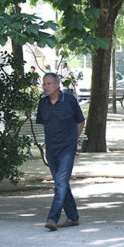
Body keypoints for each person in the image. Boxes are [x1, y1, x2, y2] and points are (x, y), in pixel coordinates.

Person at [36, 73, 85, 231]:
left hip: (67, 149)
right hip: (51, 149)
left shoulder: (69, 100)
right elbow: (44, 123)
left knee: (61, 182)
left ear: (57, 85)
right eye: (44, 84)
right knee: (61, 183)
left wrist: (73, 140)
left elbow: (80, 122)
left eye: (49, 83)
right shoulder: (43, 103)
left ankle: (52, 218)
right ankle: (73, 217)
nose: (46, 87)